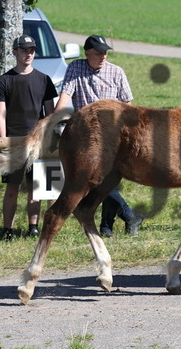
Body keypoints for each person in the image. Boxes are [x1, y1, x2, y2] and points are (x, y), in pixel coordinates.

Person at [54, 34, 143, 237]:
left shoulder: (116, 72)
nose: (103, 56)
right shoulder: (75, 68)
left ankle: (107, 225)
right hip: (87, 134)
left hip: (113, 134)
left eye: (105, 52)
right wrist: (54, 119)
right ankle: (127, 216)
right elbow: (65, 96)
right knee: (97, 178)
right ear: (87, 53)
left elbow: (128, 105)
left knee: (106, 178)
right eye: (98, 53)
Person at [0, 35, 58, 240]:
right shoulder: (4, 81)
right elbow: (0, 114)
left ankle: (33, 227)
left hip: (38, 142)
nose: (28, 53)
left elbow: (50, 114)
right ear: (14, 52)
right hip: (14, 142)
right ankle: (7, 229)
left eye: (31, 50)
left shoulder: (44, 79)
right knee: (11, 189)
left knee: (36, 189)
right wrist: (3, 141)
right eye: (23, 50)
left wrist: (49, 139)